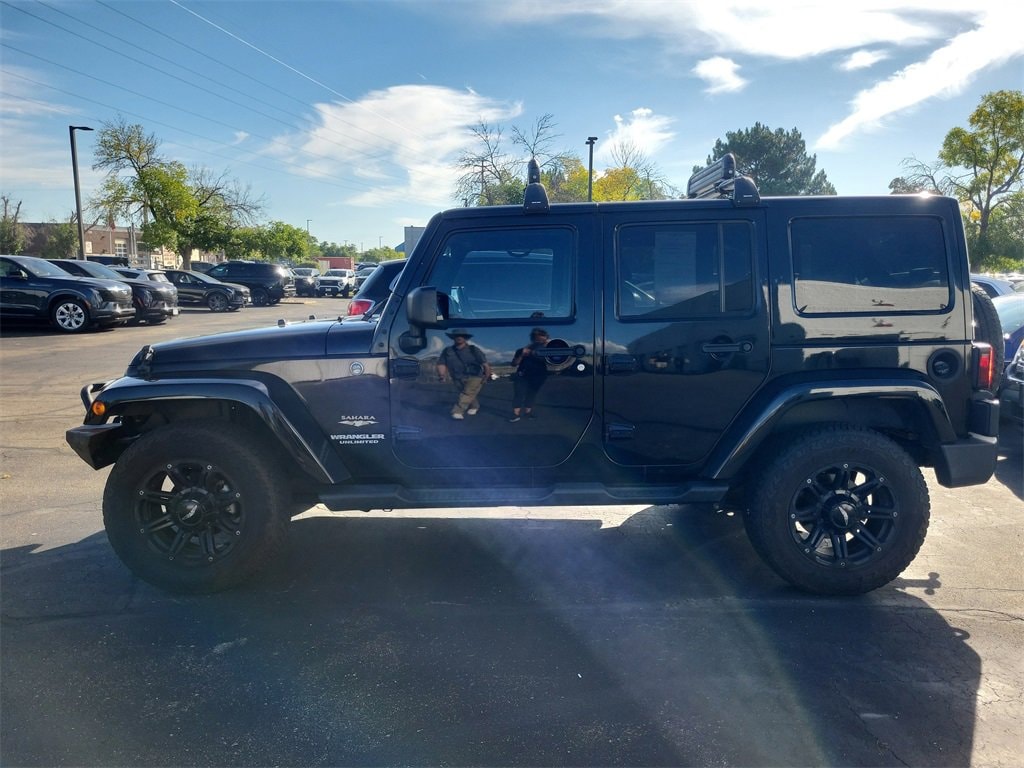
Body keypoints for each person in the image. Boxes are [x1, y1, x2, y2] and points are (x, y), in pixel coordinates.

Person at [437, 329, 491, 420]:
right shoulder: (447, 351)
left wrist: (487, 375)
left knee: (467, 393)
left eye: (461, 336)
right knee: (467, 393)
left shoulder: (473, 349)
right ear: (453, 338)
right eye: (456, 336)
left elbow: (485, 363)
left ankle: (457, 411)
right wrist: (442, 375)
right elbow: (441, 363)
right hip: (457, 377)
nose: (459, 337)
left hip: (475, 376)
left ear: (465, 338)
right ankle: (474, 406)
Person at [509, 327, 549, 422]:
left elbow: (552, 361)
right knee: (519, 393)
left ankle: (528, 412)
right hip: (522, 375)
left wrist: (547, 346)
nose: (540, 340)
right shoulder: (522, 350)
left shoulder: (547, 351)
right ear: (533, 339)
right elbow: (514, 363)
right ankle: (515, 414)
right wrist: (522, 355)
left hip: (538, 375)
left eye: (543, 338)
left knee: (531, 394)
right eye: (537, 338)